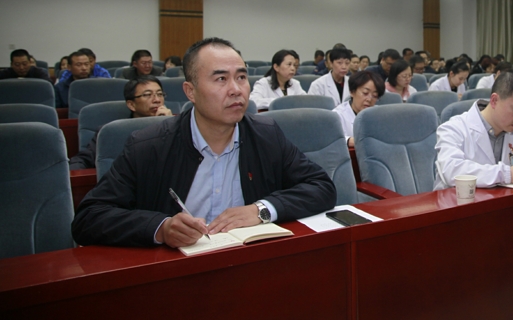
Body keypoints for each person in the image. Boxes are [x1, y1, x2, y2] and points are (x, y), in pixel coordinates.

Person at [71, 37, 336, 248]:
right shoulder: (148, 145)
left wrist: (261, 210)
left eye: (241, 77)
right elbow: (89, 217)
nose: (236, 89)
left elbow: (321, 187)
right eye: (221, 79)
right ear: (191, 92)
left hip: (248, 261)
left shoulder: (266, 136)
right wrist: (161, 228)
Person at [69, 76, 173, 170]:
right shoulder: (112, 132)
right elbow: (82, 160)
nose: (157, 100)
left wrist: (172, 126)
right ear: (131, 105)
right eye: (147, 95)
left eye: (160, 94)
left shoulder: (174, 125)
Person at [333, 70, 385, 147]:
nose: (369, 99)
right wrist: (350, 140)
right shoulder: (337, 115)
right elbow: (332, 139)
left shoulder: (380, 114)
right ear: (352, 92)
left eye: (374, 95)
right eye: (365, 93)